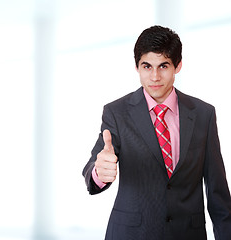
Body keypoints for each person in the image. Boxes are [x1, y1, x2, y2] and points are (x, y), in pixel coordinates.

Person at [82, 25, 231, 240]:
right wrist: (99, 173)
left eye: (163, 66)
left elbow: (218, 190)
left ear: (178, 66)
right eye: (147, 66)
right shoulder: (116, 112)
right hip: (132, 233)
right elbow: (92, 170)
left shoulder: (203, 114)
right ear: (137, 67)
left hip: (188, 234)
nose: (154, 76)